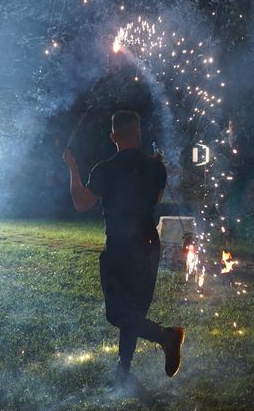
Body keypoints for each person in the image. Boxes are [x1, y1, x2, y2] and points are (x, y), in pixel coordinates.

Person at [62, 110, 185, 381]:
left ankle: (167, 336)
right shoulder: (156, 167)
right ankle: (124, 369)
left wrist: (72, 167)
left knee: (118, 313)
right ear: (139, 134)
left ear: (113, 136)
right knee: (134, 310)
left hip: (121, 247)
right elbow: (156, 197)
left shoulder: (105, 169)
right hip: (149, 243)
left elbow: (81, 203)